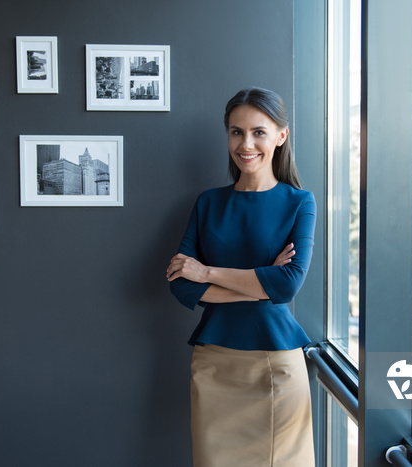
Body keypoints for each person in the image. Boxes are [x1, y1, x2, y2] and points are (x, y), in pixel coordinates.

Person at [166, 87, 316, 467]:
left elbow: (288, 284)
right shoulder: (209, 202)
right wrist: (260, 285)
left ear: (281, 136)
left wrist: (208, 273)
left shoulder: (300, 202)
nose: (245, 143)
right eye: (236, 132)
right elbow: (182, 285)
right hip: (213, 365)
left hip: (276, 366)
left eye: (258, 132)